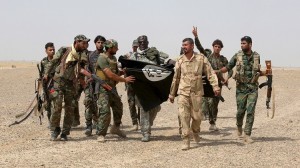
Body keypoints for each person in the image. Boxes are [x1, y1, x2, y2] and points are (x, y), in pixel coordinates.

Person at [169, 38, 220, 150]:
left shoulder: (201, 58)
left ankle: (195, 132)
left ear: (192, 46)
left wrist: (215, 86)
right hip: (183, 92)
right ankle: (186, 139)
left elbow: (210, 73)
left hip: (197, 93)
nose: (184, 47)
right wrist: (172, 94)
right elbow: (176, 78)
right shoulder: (180, 60)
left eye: (186, 45)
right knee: (184, 116)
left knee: (197, 117)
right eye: (182, 45)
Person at [219, 36, 266, 143]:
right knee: (240, 111)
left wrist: (267, 72)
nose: (242, 45)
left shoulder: (257, 56)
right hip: (241, 88)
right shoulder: (237, 55)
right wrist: (216, 71)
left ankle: (247, 134)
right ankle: (239, 127)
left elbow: (257, 71)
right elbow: (228, 67)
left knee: (250, 111)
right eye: (241, 43)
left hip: (253, 88)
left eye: (244, 43)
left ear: (250, 44)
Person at [44, 35, 89, 141]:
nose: (85, 45)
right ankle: (55, 129)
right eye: (83, 43)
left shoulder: (83, 54)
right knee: (57, 106)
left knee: (70, 108)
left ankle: (65, 132)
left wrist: (82, 81)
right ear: (77, 42)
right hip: (58, 82)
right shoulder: (65, 50)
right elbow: (53, 61)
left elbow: (81, 69)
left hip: (71, 84)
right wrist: (46, 74)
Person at [95, 39, 135, 142]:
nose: (117, 49)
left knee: (118, 107)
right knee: (105, 111)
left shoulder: (113, 58)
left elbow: (115, 74)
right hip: (103, 88)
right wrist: (124, 80)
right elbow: (110, 75)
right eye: (115, 47)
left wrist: (123, 72)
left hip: (112, 88)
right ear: (110, 47)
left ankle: (115, 128)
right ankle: (101, 134)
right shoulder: (102, 58)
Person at [127, 35, 162, 142]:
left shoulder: (154, 53)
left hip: (152, 86)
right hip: (140, 87)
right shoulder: (134, 55)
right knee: (143, 108)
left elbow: (159, 67)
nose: (142, 44)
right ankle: (145, 132)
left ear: (147, 42)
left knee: (156, 107)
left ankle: (148, 124)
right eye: (140, 42)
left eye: (144, 42)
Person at [84, 35, 106, 136]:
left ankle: (97, 124)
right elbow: (86, 68)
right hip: (90, 83)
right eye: (98, 42)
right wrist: (90, 77)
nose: (100, 44)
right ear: (95, 43)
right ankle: (88, 126)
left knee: (100, 105)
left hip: (102, 84)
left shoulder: (106, 55)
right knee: (89, 102)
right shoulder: (90, 55)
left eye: (102, 42)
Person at [125, 39, 140, 131]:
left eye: (137, 46)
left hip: (139, 84)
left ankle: (141, 122)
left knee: (140, 104)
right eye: (134, 46)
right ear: (132, 46)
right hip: (130, 84)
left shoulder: (141, 56)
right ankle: (135, 123)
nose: (136, 48)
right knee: (131, 103)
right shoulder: (128, 55)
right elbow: (121, 66)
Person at [40, 42, 55, 124]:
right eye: (50, 50)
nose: (52, 51)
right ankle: (51, 122)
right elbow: (41, 74)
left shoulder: (57, 60)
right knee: (47, 105)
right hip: (46, 87)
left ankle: (54, 124)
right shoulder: (43, 61)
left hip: (55, 86)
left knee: (54, 105)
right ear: (46, 51)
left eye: (53, 49)